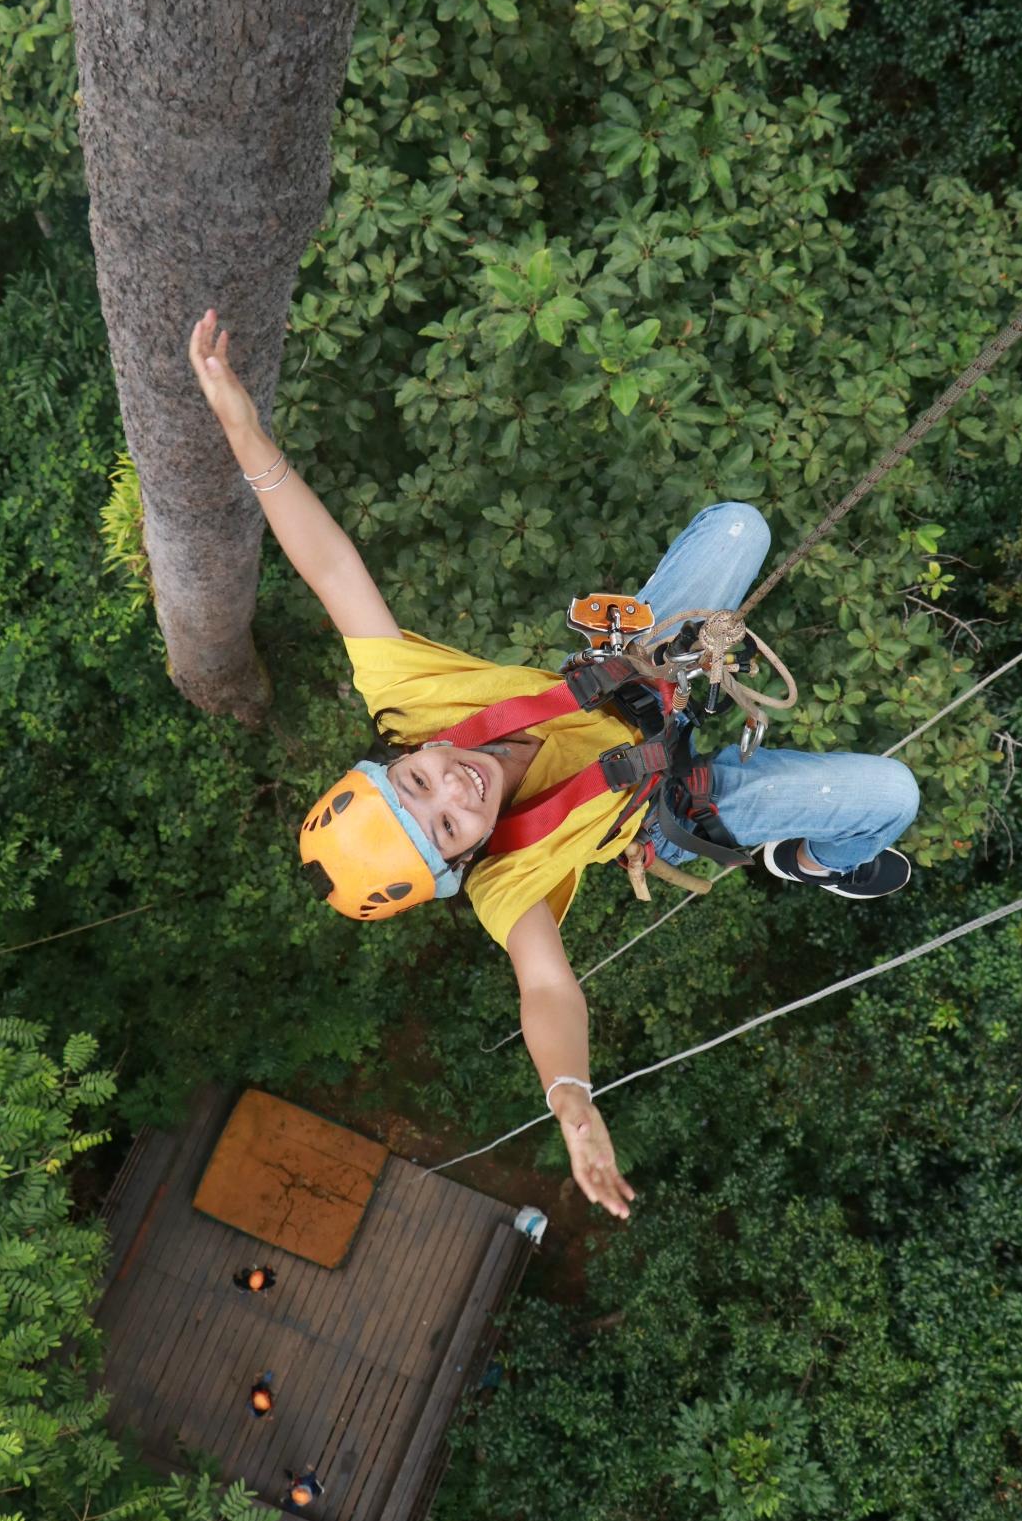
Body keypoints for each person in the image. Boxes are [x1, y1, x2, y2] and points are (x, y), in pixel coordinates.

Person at [189, 310, 920, 1223]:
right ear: (464, 862)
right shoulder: (507, 884)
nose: (454, 790)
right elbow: (545, 986)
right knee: (890, 798)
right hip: (674, 804)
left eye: (416, 781)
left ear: (399, 750)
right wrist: (569, 1097)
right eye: (449, 828)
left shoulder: (411, 695)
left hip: (640, 677)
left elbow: (331, 567)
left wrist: (242, 431)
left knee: (738, 528)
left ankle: (745, 771)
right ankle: (807, 862)